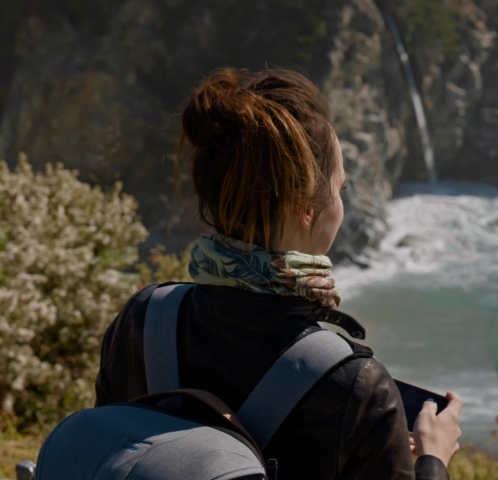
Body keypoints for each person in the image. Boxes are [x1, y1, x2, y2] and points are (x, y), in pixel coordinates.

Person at [94, 67, 463, 479]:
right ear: (307, 209)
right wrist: (433, 459)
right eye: (340, 190)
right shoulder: (356, 388)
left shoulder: (142, 320)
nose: (341, 205)